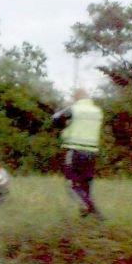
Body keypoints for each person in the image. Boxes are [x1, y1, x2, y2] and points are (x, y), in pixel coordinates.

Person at [52, 88, 104, 218]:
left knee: (71, 184)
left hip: (75, 151)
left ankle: (88, 208)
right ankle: (94, 217)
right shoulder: (97, 111)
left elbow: (56, 120)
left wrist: (62, 116)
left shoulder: (74, 109)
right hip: (92, 153)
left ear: (76, 97)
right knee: (85, 187)